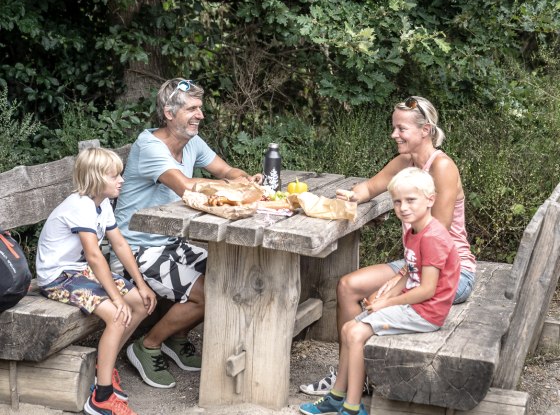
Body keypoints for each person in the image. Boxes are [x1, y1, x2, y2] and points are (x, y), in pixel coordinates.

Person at [301, 96, 476, 396]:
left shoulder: (443, 168)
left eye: (401, 129)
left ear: (426, 130)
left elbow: (439, 237)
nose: (394, 134)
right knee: (347, 286)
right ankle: (350, 373)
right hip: (414, 265)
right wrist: (351, 196)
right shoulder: (405, 162)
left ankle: (354, 378)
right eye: (394, 127)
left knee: (372, 295)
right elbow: (370, 187)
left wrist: (399, 280)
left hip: (450, 274)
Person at [110, 78, 262, 389]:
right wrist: (235, 187)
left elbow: (226, 171)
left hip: (172, 243)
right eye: (192, 108)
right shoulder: (150, 145)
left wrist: (246, 179)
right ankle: (147, 345)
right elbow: (184, 186)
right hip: (136, 248)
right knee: (210, 294)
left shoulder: (191, 141)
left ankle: (176, 340)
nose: (200, 115)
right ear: (169, 112)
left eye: (200, 108)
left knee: (231, 274)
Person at [299, 167, 460, 415]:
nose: (403, 207)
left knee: (354, 333)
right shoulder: (414, 230)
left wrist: (387, 304)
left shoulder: (433, 237)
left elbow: (427, 289)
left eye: (410, 200)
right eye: (397, 202)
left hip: (426, 312)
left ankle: (352, 408)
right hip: (415, 306)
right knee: (347, 328)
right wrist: (388, 293)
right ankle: (337, 396)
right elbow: (409, 271)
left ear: (430, 199)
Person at [36, 147, 157, 415]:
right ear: (96, 178)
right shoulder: (80, 206)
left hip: (78, 271)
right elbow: (93, 255)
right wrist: (115, 297)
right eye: (115, 176)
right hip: (58, 276)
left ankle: (105, 367)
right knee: (116, 314)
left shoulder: (102, 204)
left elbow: (120, 244)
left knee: (139, 302)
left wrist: (141, 284)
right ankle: (101, 397)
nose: (121, 180)